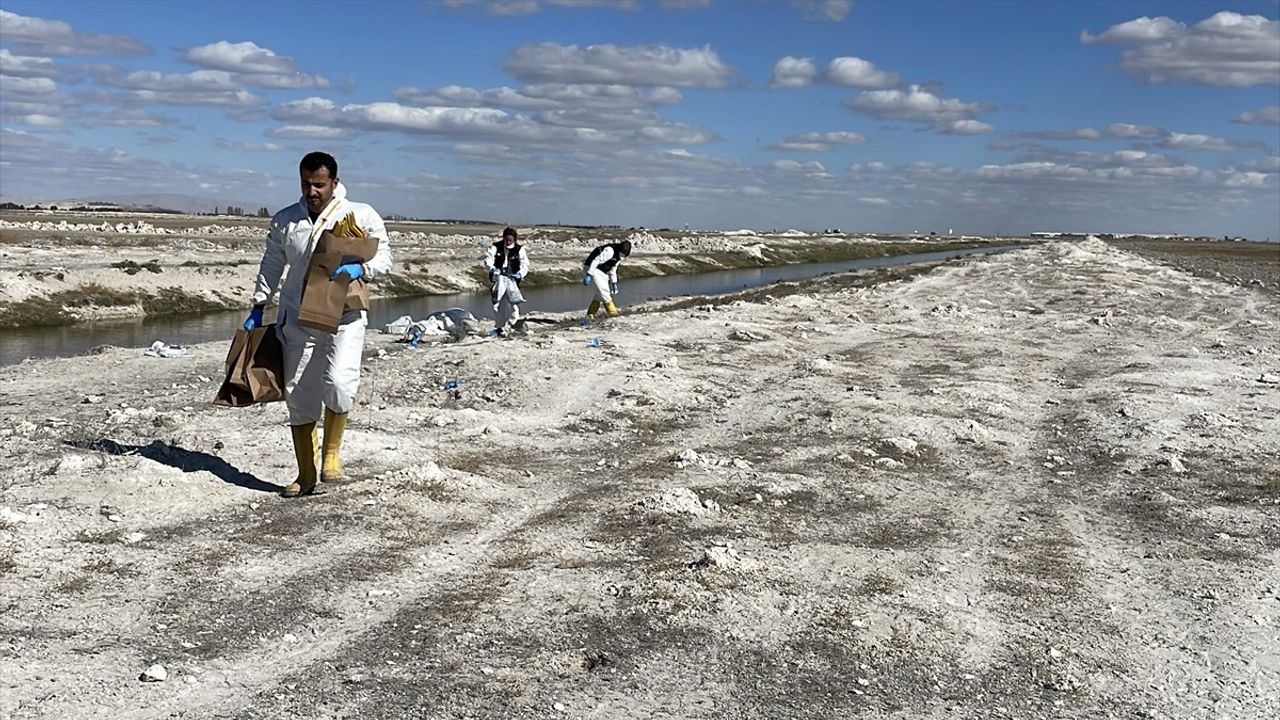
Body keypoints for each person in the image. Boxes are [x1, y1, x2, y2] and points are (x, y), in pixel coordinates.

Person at [243, 151, 392, 497]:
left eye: (319, 184)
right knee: (298, 392)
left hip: (345, 315)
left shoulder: (360, 214)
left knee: (340, 383)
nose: (312, 191)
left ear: (334, 183)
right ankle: (306, 474)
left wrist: (362, 269)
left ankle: (332, 455)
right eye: (306, 183)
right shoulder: (286, 221)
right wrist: (258, 304)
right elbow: (272, 263)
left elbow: (385, 256)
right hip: (297, 316)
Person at [484, 227, 529, 336]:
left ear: (514, 239)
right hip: (498, 278)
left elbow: (525, 264)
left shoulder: (519, 249)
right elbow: (488, 259)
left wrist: (520, 274)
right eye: (506, 240)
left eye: (510, 240)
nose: (508, 242)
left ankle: (514, 324)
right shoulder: (496, 247)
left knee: (512, 302)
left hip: (512, 279)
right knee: (498, 303)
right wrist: (492, 268)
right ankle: (500, 327)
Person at [582, 239, 631, 321]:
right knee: (604, 293)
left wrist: (614, 283)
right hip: (593, 268)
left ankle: (589, 316)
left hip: (603, 271)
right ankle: (613, 314)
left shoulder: (619, 257)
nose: (623, 255)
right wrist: (589, 274)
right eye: (623, 252)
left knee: (599, 295)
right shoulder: (610, 251)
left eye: (625, 254)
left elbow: (613, 269)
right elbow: (596, 261)